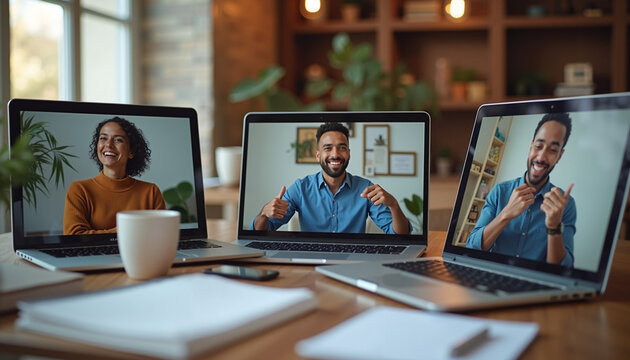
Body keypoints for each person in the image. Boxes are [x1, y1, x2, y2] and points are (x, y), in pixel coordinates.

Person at [251, 122, 411, 234]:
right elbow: (262, 231)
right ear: (318, 155)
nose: (335, 154)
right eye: (328, 148)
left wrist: (394, 205)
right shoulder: (300, 188)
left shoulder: (366, 188)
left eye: (342, 148)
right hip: (309, 261)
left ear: (349, 153)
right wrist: (264, 214)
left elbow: (399, 234)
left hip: (353, 261)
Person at [466, 113, 576, 267]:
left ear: (559, 156)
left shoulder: (566, 205)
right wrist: (506, 214)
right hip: (491, 276)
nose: (541, 157)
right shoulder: (499, 192)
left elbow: (564, 269)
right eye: (538, 146)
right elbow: (471, 247)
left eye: (552, 150)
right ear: (531, 146)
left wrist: (554, 228)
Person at [63, 117, 165, 235]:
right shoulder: (79, 190)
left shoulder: (151, 192)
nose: (108, 144)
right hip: (94, 254)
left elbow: (161, 234)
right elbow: (74, 236)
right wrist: (130, 229)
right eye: (103, 138)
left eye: (118, 140)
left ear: (131, 151)